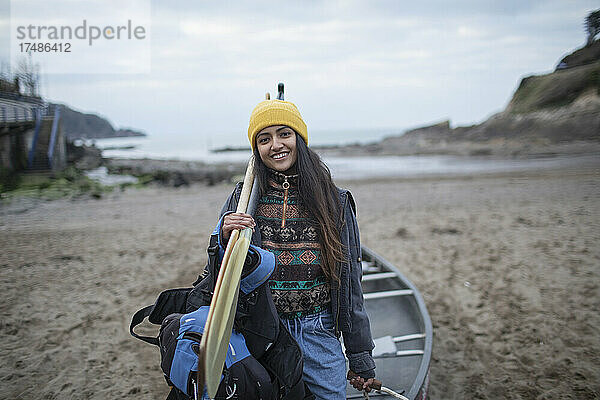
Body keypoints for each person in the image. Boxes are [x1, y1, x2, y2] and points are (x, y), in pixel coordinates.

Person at [217, 98, 376, 399]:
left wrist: (360, 357)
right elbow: (220, 271)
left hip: (318, 328)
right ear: (256, 149)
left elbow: (350, 283)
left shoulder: (335, 201)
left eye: (284, 134)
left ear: (300, 139)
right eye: (264, 139)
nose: (275, 145)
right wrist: (224, 237)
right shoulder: (243, 198)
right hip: (263, 331)